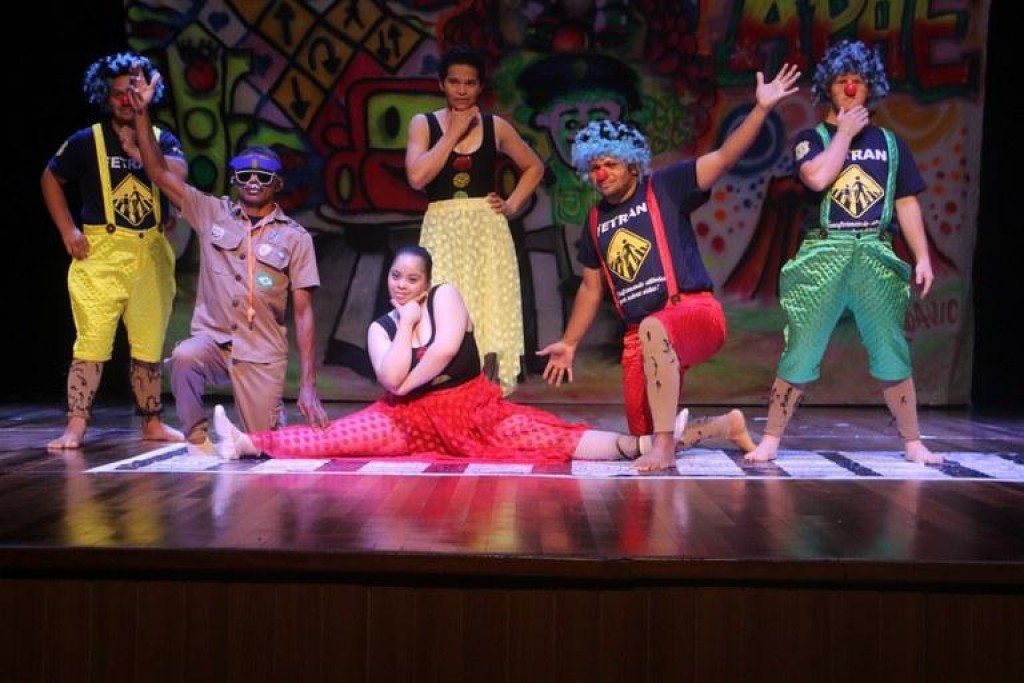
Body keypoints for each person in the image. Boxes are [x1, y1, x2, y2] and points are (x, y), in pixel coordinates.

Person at [538, 64, 802, 472]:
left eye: (610, 164)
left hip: (693, 314)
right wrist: (570, 342)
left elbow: (725, 156)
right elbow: (591, 288)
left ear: (632, 164)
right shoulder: (594, 220)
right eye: (594, 168)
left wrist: (761, 109)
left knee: (654, 331)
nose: (601, 174)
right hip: (638, 336)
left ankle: (664, 449)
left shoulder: (665, 186)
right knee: (640, 438)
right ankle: (724, 426)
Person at [213, 245, 668, 464]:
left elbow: (446, 349)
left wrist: (408, 382)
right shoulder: (381, 327)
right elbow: (390, 380)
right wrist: (406, 324)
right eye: (396, 276)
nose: (401, 285)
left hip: (472, 410)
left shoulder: (446, 296)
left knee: (548, 435)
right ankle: (246, 443)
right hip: (407, 419)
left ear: (427, 283)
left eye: (412, 279)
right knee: (336, 437)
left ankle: (641, 444)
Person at [745, 41, 942, 465]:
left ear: (871, 87)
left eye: (858, 81)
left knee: (890, 346)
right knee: (802, 347)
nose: (851, 88)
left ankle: (912, 442)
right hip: (824, 250)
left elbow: (906, 201)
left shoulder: (891, 144)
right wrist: (846, 134)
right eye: (841, 81)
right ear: (827, 88)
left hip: (875, 250)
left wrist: (923, 256)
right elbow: (817, 178)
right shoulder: (811, 139)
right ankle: (771, 440)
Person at [128, 67, 329, 452]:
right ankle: (198, 438)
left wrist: (307, 384)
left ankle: (270, 420)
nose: (253, 180)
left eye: (263, 176)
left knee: (262, 446)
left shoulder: (296, 238)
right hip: (214, 341)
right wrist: (141, 113)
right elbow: (157, 171)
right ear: (234, 180)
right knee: (184, 356)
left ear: (277, 184)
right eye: (245, 174)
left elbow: (304, 314)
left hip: (261, 353)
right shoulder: (211, 213)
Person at [41, 52, 186, 449]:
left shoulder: (162, 140)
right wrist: (68, 229)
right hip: (101, 253)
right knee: (92, 341)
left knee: (149, 341)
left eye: (134, 91)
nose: (126, 99)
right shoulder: (87, 140)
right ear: (105, 96)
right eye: (119, 93)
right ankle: (76, 426)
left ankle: (152, 422)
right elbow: (50, 178)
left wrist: (141, 147)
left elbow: (177, 178)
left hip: (149, 251)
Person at [405, 44, 544, 396]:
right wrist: (453, 132)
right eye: (454, 82)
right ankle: (444, 391)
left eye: (470, 83)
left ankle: (485, 394)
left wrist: (511, 205)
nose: (462, 90)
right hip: (442, 228)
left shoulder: (496, 126)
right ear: (442, 84)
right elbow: (417, 177)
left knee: (488, 310)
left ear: (480, 86)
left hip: (486, 231)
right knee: (442, 308)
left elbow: (534, 166)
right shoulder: (424, 124)